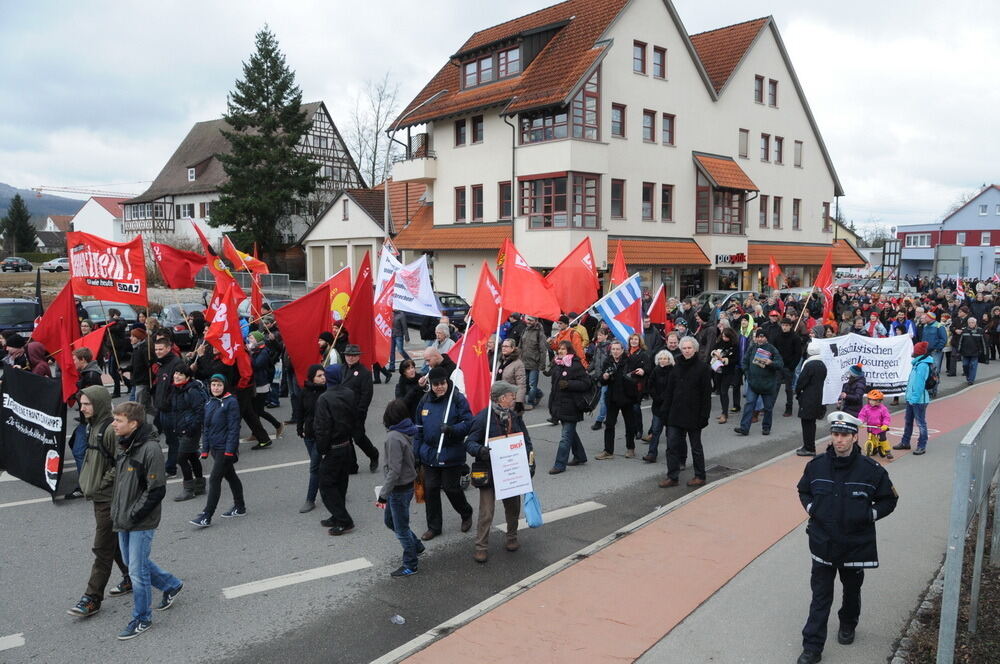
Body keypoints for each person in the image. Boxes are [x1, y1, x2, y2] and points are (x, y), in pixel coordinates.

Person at [795, 411, 899, 664]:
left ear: (854, 437)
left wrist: (869, 515)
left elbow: (889, 500)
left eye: (844, 435)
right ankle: (812, 647)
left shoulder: (871, 470)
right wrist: (812, 509)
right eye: (835, 434)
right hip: (823, 543)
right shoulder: (816, 466)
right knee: (820, 596)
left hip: (855, 545)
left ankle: (848, 623)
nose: (839, 439)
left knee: (851, 590)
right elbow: (803, 490)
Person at [109, 401, 183, 640]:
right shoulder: (125, 443)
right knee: (133, 563)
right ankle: (171, 585)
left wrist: (133, 514)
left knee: (136, 570)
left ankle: (142, 618)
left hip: (140, 521)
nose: (114, 424)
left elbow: (156, 490)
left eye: (118, 420)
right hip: (124, 518)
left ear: (133, 423)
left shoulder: (150, 449)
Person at [67, 386, 132, 619]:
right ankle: (132, 577)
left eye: (87, 404)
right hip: (99, 497)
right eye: (82, 403)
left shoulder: (110, 430)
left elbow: (122, 462)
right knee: (113, 545)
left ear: (100, 404)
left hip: (109, 498)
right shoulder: (91, 425)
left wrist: (102, 484)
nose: (82, 408)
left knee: (102, 548)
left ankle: (92, 598)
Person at [464, 381, 533, 563]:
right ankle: (481, 547)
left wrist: (530, 462)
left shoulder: (514, 416)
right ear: (502, 398)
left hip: (510, 472)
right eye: (511, 395)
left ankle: (512, 538)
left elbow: (526, 440)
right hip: (489, 472)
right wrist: (481, 450)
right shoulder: (483, 418)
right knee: (486, 512)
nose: (514, 398)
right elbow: (469, 443)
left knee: (513, 508)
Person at [414, 367, 475, 540]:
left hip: (451, 452)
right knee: (431, 489)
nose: (439, 387)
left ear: (447, 381)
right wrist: (416, 453)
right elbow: (418, 429)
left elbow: (468, 423)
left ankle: (466, 512)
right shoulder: (425, 400)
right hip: (430, 453)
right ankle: (434, 527)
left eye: (442, 383)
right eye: (436, 384)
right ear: (431, 385)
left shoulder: (457, 399)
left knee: (451, 488)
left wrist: (452, 430)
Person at [189, 375, 246, 527]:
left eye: (219, 385)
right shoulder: (210, 402)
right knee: (231, 476)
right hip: (215, 448)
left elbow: (234, 428)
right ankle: (240, 507)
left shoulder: (231, 402)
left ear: (224, 386)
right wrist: (205, 449)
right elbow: (206, 428)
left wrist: (230, 451)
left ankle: (207, 515)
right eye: (213, 385)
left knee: (214, 479)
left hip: (225, 449)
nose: (216, 388)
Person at [377, 399, 424, 577]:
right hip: (406, 485)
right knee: (391, 521)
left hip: (398, 489)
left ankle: (410, 564)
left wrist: (383, 494)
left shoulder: (393, 437)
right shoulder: (408, 430)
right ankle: (416, 545)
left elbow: (394, 470)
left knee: (401, 528)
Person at [658, 336, 712, 488]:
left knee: (696, 447)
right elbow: (670, 391)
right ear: (680, 349)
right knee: (672, 446)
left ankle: (700, 476)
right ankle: (672, 476)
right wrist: (665, 411)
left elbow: (706, 395)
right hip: (675, 413)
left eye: (689, 348)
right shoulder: (676, 367)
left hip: (694, 414)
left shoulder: (703, 368)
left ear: (695, 349)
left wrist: (704, 416)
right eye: (684, 348)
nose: (687, 350)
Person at [313, 364, 357, 535]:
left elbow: (322, 427)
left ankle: (344, 520)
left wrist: (322, 448)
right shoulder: (349, 393)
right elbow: (355, 416)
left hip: (333, 447)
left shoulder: (324, 398)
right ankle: (337, 515)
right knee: (341, 482)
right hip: (347, 444)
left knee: (326, 484)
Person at [547, 340, 591, 474]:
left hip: (572, 406)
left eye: (563, 349)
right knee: (570, 433)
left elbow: (586, 383)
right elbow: (554, 387)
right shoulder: (558, 364)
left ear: (569, 351)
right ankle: (580, 456)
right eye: (559, 349)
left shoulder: (575, 365)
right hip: (559, 405)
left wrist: (569, 384)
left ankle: (559, 465)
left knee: (565, 437)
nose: (560, 351)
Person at [168, 366, 208, 502]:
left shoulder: (192, 391)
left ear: (188, 377)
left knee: (181, 458)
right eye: (176, 373)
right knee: (192, 456)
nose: (176, 376)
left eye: (180, 374)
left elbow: (200, 411)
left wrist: (191, 428)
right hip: (181, 428)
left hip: (190, 430)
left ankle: (188, 489)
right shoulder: (177, 389)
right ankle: (200, 485)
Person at [595, 340, 641, 459]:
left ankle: (630, 448)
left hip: (627, 397)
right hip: (613, 398)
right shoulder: (608, 361)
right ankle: (608, 451)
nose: (615, 351)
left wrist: (640, 372)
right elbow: (602, 380)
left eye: (617, 349)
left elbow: (636, 376)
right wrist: (604, 377)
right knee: (609, 425)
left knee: (629, 425)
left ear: (622, 350)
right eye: (613, 349)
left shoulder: (629, 361)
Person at [734, 328, 784, 436]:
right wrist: (748, 374)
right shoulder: (752, 348)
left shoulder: (772, 349)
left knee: (768, 408)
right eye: (758, 337)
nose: (760, 339)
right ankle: (744, 428)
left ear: (766, 338)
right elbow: (744, 361)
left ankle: (766, 427)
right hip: (753, 383)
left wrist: (771, 363)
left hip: (768, 384)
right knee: (749, 405)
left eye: (762, 337)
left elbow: (780, 364)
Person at [341, 344, 380, 473]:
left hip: (357, 411)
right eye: (348, 355)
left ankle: (373, 454)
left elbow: (367, 394)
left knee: (358, 437)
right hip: (343, 410)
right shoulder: (342, 369)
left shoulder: (364, 372)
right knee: (346, 438)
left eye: (354, 355)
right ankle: (352, 465)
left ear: (358, 356)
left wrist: (360, 411)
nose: (350, 358)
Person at [150, 337, 186, 477]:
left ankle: (171, 469)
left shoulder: (176, 364)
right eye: (156, 349)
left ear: (168, 348)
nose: (158, 352)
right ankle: (190, 454)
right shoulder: (161, 363)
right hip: (161, 409)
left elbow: (177, 388)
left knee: (173, 440)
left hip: (171, 410)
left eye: (161, 349)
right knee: (160, 436)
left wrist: (167, 402)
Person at [894, 341, 934, 455]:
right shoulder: (918, 364)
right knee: (908, 421)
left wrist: (913, 399)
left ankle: (921, 445)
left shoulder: (922, 365)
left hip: (918, 400)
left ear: (918, 352)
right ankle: (905, 442)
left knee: (920, 423)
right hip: (913, 399)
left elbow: (919, 385)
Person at [296, 364, 326, 513]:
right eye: (319, 376)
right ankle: (331, 490)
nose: (323, 378)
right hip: (309, 435)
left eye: (324, 375)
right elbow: (300, 411)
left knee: (314, 467)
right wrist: (299, 428)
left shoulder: (327, 392)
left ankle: (310, 499)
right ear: (312, 377)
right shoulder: (304, 392)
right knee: (319, 466)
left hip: (323, 435)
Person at [247, 331, 283, 448]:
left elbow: (257, 365)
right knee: (254, 411)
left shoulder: (263, 351)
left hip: (261, 384)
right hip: (255, 384)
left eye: (252, 338)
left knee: (259, 411)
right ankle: (255, 433)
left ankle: (277, 425)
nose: (249, 340)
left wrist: (249, 354)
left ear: (258, 340)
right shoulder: (256, 350)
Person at [795, 340, 828, 456]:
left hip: (808, 397)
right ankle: (809, 446)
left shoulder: (809, 365)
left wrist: (797, 392)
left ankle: (809, 447)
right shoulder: (822, 365)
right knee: (811, 423)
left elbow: (801, 382)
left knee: (806, 423)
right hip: (818, 397)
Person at [642, 349, 675, 462]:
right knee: (655, 431)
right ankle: (651, 454)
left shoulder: (673, 371)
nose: (663, 360)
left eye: (665, 358)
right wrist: (656, 397)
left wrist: (665, 398)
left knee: (670, 434)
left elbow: (674, 387)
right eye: (660, 358)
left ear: (669, 360)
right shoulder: (655, 370)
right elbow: (650, 385)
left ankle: (671, 455)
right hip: (657, 406)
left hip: (670, 407)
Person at [773, 318, 803, 417]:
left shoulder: (795, 338)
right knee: (775, 387)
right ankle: (769, 406)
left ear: (790, 326)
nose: (784, 327)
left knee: (788, 389)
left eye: (786, 325)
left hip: (789, 367)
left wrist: (792, 366)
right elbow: (774, 351)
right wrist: (775, 363)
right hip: (778, 366)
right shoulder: (777, 336)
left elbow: (798, 354)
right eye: (783, 325)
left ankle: (789, 408)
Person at [519, 315, 549, 409]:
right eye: (528, 319)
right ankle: (539, 394)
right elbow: (520, 346)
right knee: (525, 384)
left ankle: (530, 402)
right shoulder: (525, 330)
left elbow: (543, 350)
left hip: (534, 363)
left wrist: (542, 365)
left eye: (531, 320)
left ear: (536, 321)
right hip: (524, 362)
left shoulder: (540, 333)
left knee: (532, 385)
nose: (528, 321)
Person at [710, 327, 739, 423]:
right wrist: (714, 353)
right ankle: (724, 411)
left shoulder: (734, 345)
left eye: (726, 337)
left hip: (728, 371)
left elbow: (736, 359)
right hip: (718, 370)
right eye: (723, 336)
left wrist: (725, 360)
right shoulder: (720, 342)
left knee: (724, 392)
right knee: (721, 392)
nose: (724, 338)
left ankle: (725, 414)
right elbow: (713, 349)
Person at [495, 338, 527, 412]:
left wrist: (519, 402)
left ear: (512, 348)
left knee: (510, 418)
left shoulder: (518, 363)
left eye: (506, 346)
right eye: (503, 346)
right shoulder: (500, 361)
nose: (503, 348)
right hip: (499, 397)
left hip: (511, 399)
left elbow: (521, 385)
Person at [858, 389, 893, 459]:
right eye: (870, 400)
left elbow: (886, 417)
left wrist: (885, 424)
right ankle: (874, 448)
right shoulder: (866, 408)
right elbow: (862, 415)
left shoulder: (883, 409)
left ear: (879, 401)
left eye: (874, 400)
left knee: (883, 439)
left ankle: (887, 451)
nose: (871, 402)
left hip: (880, 428)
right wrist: (860, 422)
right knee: (871, 438)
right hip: (870, 427)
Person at [956, 316, 987, 385]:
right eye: (969, 323)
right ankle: (968, 376)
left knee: (973, 366)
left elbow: (984, 342)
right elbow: (960, 341)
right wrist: (958, 351)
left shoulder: (980, 331)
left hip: (976, 352)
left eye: (972, 322)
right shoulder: (964, 330)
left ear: (975, 323)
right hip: (965, 352)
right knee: (965, 365)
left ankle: (971, 380)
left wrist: (985, 353)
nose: (971, 324)